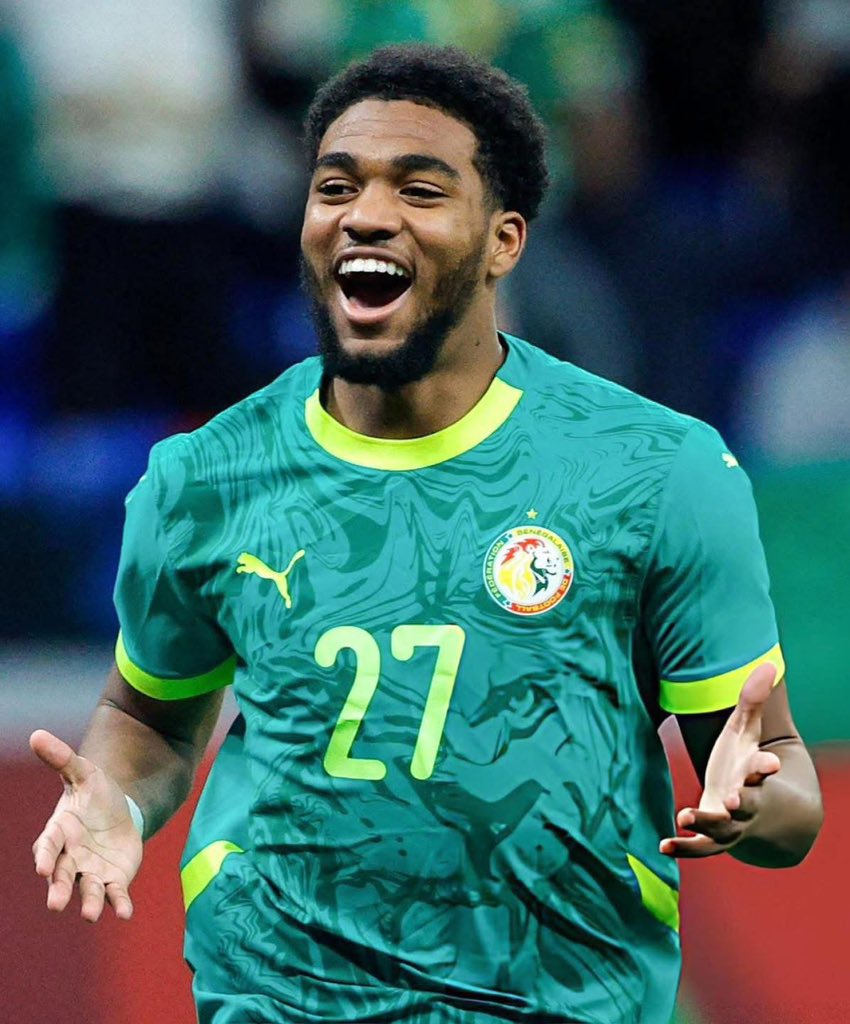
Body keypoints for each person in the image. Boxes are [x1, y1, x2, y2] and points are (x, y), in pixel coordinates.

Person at [30, 44, 823, 1024]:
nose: (366, 214)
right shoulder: (205, 477)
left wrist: (758, 803)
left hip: (554, 1002)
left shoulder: (658, 472)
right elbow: (151, 717)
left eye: (419, 188)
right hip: (284, 998)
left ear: (503, 240)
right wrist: (115, 797)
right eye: (336, 186)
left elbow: (779, 777)